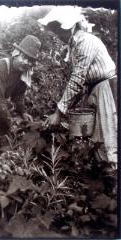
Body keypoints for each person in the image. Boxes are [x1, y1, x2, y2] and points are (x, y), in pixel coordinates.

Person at [38, 7, 117, 164]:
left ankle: (111, 179)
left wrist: (58, 114)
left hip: (105, 89)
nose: (58, 35)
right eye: (55, 31)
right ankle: (100, 174)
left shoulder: (85, 42)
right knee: (95, 138)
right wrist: (65, 109)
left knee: (108, 139)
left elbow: (77, 78)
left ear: (72, 26)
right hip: (94, 89)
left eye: (59, 31)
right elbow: (79, 82)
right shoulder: (75, 44)